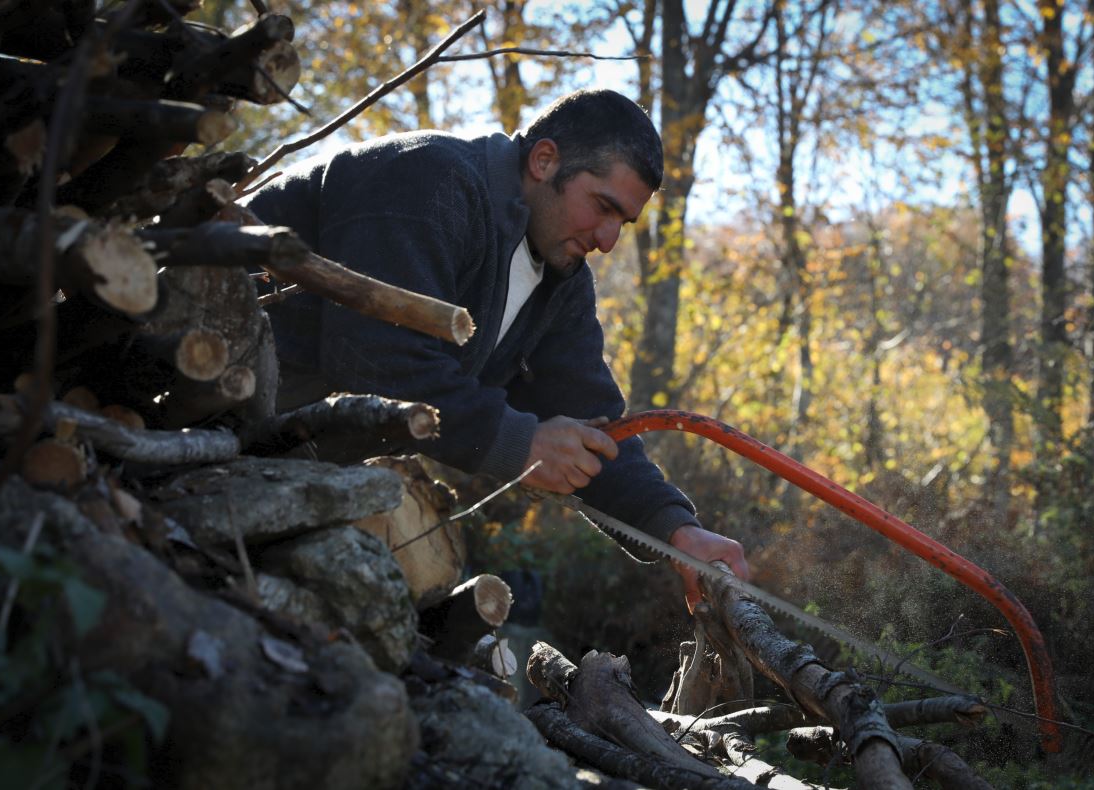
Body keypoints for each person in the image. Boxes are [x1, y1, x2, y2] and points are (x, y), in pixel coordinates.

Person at [245, 88, 748, 607]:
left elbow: (593, 427)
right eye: (602, 207)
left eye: (623, 222)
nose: (608, 239)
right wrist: (520, 442)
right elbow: (377, 362)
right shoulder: (427, 178)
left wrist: (676, 532)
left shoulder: (562, 278)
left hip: (282, 466)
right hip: (194, 410)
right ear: (544, 159)